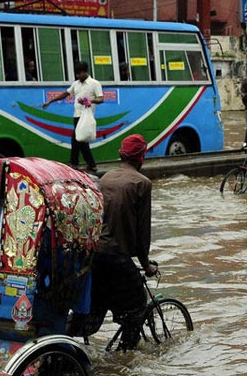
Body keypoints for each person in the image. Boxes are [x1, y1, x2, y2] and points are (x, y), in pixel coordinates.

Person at [92, 134, 157, 351]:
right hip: (117, 255)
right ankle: (124, 356)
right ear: (141, 158)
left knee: (94, 309)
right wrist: (146, 264)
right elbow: (142, 231)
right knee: (138, 304)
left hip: (94, 253)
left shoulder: (105, 177)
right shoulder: (142, 183)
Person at [42, 61, 104, 172]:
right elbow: (65, 94)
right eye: (77, 74)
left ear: (85, 72)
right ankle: (91, 164)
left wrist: (90, 100)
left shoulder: (95, 83)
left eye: (79, 73)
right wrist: (50, 101)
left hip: (86, 116)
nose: (78, 76)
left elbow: (101, 99)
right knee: (81, 141)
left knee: (76, 140)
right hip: (77, 116)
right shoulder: (76, 84)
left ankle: (75, 164)